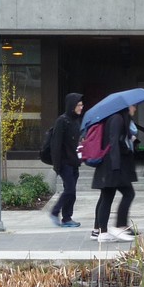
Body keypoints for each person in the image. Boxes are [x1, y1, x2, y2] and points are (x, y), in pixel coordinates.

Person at [91, 104, 138, 242]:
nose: (135, 109)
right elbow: (114, 142)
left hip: (109, 165)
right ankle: (117, 227)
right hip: (112, 165)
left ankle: (101, 231)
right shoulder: (117, 119)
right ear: (126, 107)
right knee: (128, 194)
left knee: (106, 196)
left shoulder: (114, 118)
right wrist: (116, 165)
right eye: (133, 106)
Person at [49, 93, 84, 227]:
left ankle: (67, 218)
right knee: (69, 189)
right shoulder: (62, 121)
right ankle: (54, 211)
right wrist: (57, 166)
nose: (81, 107)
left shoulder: (76, 121)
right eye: (79, 105)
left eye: (81, 104)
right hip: (64, 163)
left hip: (74, 162)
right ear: (72, 106)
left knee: (72, 192)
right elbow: (56, 144)